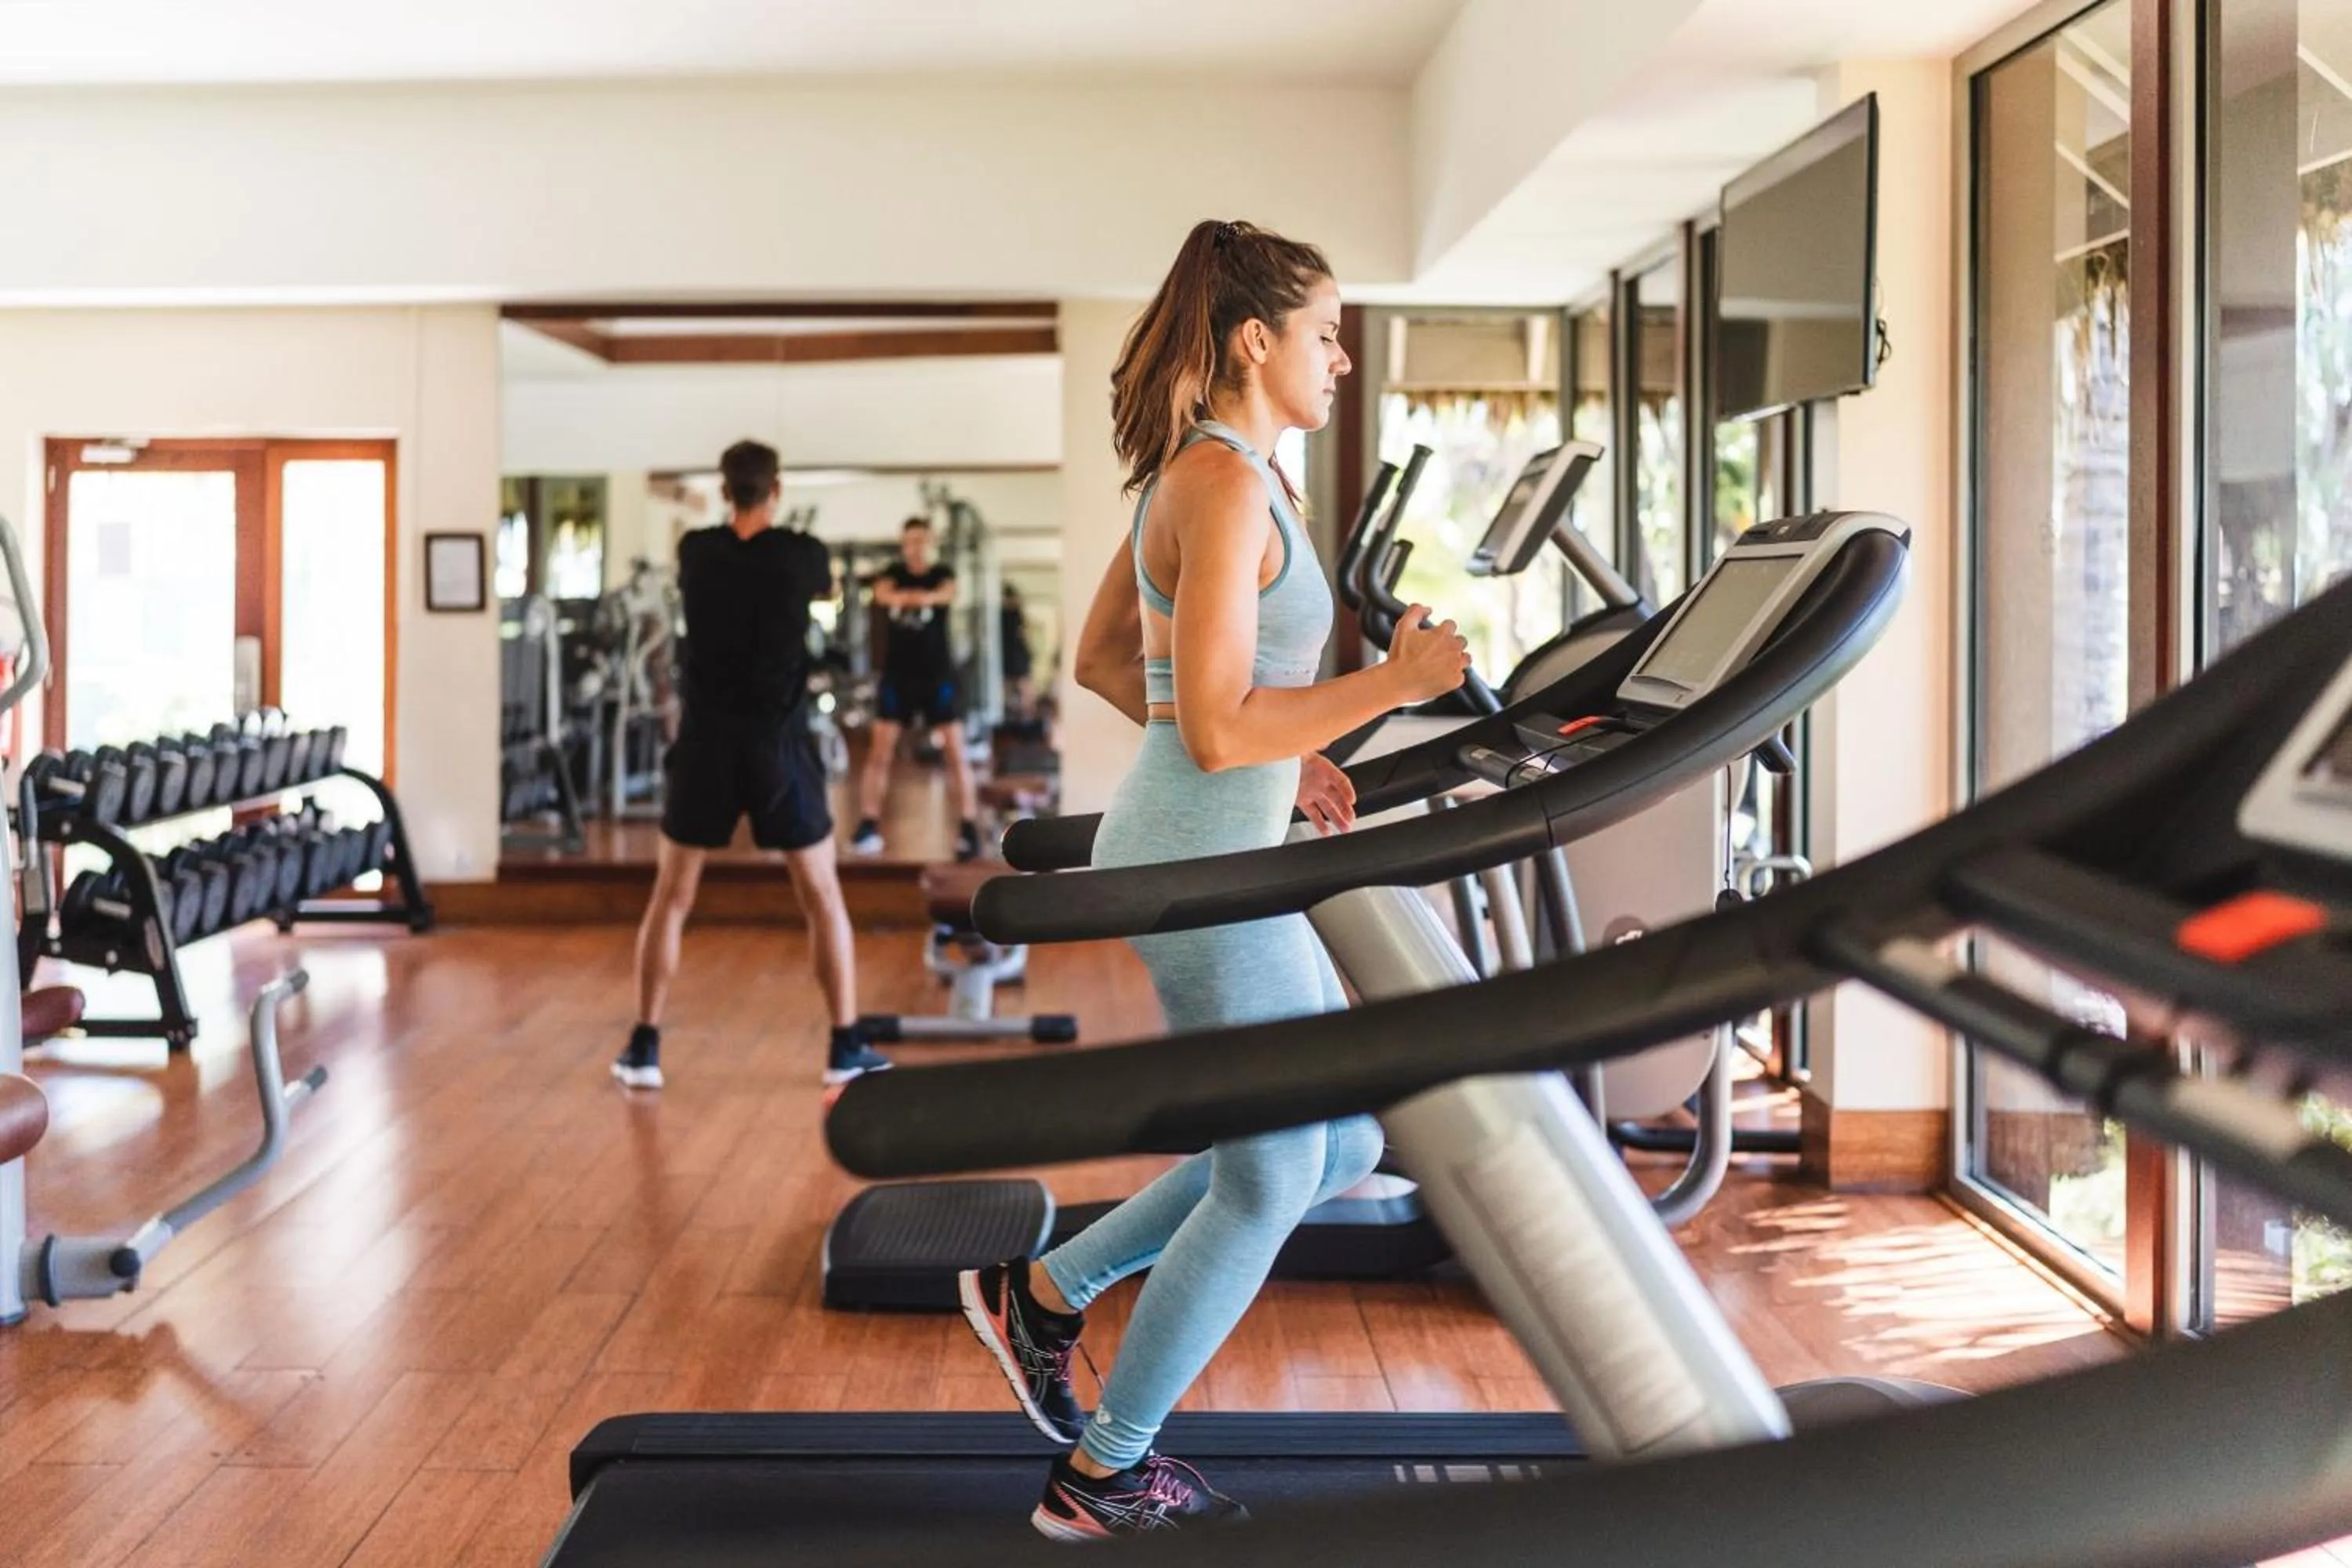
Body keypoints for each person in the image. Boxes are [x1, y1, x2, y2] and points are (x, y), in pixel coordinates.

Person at [955, 219, 1472, 1539]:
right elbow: (1215, 723)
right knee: (1266, 1174)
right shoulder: (1226, 485)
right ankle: (1105, 1471)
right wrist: (1386, 690)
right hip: (1196, 868)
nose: (1341, 358)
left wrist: (1281, 759)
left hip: (1224, 846)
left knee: (1348, 1136)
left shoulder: (1221, 475)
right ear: (1258, 338)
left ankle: (1049, 1297)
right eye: (1324, 332)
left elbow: (1113, 664)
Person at [614, 439, 892, 1092]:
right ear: (777, 490)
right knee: (821, 895)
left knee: (672, 897)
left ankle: (644, 1046)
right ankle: (844, 1044)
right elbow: (821, 586)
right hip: (777, 747)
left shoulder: (697, 553)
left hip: (707, 743)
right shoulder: (802, 555)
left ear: (723, 487)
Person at [849, 516, 984, 862]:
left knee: (956, 752)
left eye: (922, 540)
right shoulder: (891, 572)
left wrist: (908, 598)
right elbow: (882, 594)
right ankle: (867, 823)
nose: (916, 546)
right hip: (898, 677)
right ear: (903, 544)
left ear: (931, 542)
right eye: (910, 540)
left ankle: (969, 827)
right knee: (880, 754)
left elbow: (946, 595)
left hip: (937, 675)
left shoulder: (943, 573)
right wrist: (919, 598)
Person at [1000, 582, 1037, 721]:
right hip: (1013, 657)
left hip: (1016, 657)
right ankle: (1022, 718)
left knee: (1022, 689)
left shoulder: (1012, 614)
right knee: (1017, 689)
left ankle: (1025, 718)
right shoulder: (1008, 615)